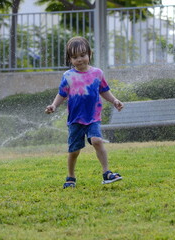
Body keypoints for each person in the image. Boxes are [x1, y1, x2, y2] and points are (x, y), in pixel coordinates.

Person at [45, 36, 124, 189]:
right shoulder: (68, 76)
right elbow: (62, 93)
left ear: (89, 54)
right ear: (70, 59)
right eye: (75, 57)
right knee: (74, 151)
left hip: (93, 117)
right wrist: (54, 105)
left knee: (97, 141)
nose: (79, 59)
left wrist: (114, 101)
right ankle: (70, 177)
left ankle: (106, 172)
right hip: (75, 119)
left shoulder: (97, 73)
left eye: (82, 55)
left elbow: (104, 91)